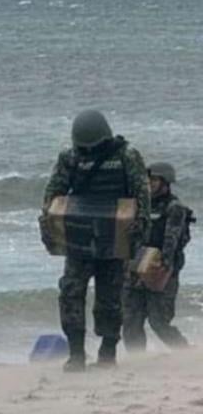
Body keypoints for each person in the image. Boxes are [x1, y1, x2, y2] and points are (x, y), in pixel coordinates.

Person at [42, 110, 150, 372]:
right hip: (79, 238)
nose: (88, 150)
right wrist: (49, 225)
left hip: (115, 238)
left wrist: (140, 227)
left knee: (110, 297)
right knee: (71, 292)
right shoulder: (70, 158)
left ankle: (108, 350)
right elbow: (54, 193)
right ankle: (76, 353)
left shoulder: (126, 156)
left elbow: (141, 193)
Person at [122, 162, 194, 351]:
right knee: (130, 321)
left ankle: (185, 354)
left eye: (154, 180)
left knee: (159, 322)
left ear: (165, 182)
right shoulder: (140, 206)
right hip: (136, 266)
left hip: (161, 269)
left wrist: (163, 267)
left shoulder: (174, 208)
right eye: (148, 180)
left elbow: (172, 241)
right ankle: (137, 359)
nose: (150, 183)